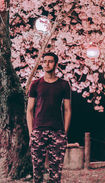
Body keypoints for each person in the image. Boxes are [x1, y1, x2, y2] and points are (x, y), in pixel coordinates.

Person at [26, 52, 71, 183]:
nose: (47, 64)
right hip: (38, 131)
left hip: (57, 132)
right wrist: (31, 132)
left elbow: (67, 109)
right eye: (44, 61)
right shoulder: (35, 84)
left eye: (50, 61)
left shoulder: (64, 84)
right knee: (37, 174)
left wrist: (64, 132)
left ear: (56, 64)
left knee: (56, 174)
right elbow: (29, 110)